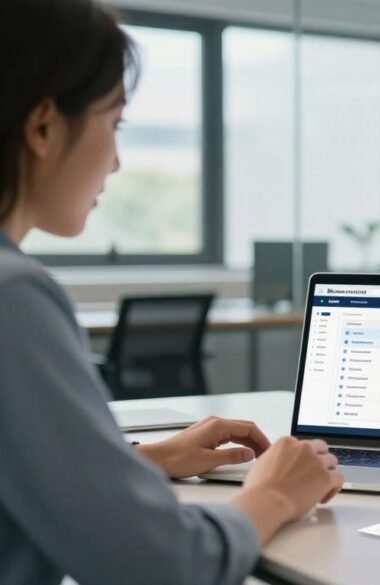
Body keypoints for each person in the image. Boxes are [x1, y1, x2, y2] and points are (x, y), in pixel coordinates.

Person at [0, 1, 343, 583]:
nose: (115, 161)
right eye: (115, 124)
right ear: (43, 126)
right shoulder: (14, 298)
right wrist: (276, 494)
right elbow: (161, 567)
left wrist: (141, 462)